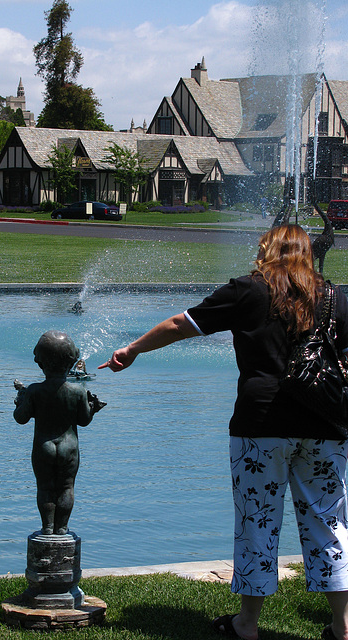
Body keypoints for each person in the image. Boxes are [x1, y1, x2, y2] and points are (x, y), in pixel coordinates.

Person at [99, 224, 348, 640]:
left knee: (258, 521)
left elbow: (182, 324)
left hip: (261, 425)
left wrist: (132, 349)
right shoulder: (336, 296)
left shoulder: (248, 290)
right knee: (330, 524)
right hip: (326, 427)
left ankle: (247, 625)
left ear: (267, 249)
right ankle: (343, 627)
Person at [14, 330, 105, 536]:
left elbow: (21, 418)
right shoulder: (78, 392)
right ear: (71, 362)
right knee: (66, 487)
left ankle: (47, 528)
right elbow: (83, 421)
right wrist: (93, 408)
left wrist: (20, 400)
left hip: (43, 445)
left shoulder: (34, 390)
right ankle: (62, 528)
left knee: (45, 488)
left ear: (40, 362)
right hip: (69, 446)